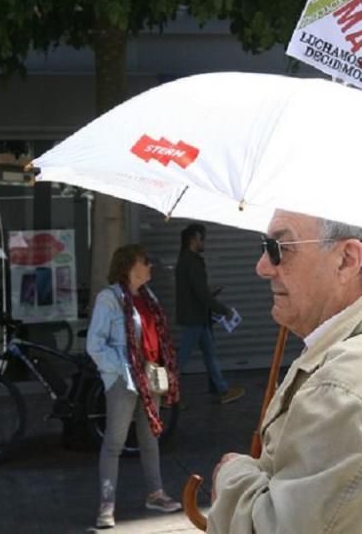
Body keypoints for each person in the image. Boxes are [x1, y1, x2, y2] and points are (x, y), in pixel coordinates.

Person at [208, 210, 362, 533]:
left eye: (281, 248)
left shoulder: (345, 382)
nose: (263, 266)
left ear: (346, 260)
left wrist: (232, 476)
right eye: (264, 247)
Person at [86, 244, 182, 529]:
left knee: (150, 438)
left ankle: (156, 494)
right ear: (129, 266)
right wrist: (121, 369)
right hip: (125, 380)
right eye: (145, 261)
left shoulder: (147, 296)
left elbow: (155, 336)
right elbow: (95, 344)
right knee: (114, 443)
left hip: (149, 376)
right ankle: (106, 505)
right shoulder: (110, 298)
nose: (150, 266)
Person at [174, 223, 245, 405]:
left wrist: (209, 295)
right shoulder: (192, 261)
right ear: (193, 240)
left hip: (198, 316)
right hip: (194, 317)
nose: (204, 242)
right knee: (181, 359)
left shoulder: (185, 260)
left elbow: (195, 291)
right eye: (201, 238)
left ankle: (221, 389)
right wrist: (223, 309)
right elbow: (200, 293)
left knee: (210, 353)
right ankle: (167, 395)